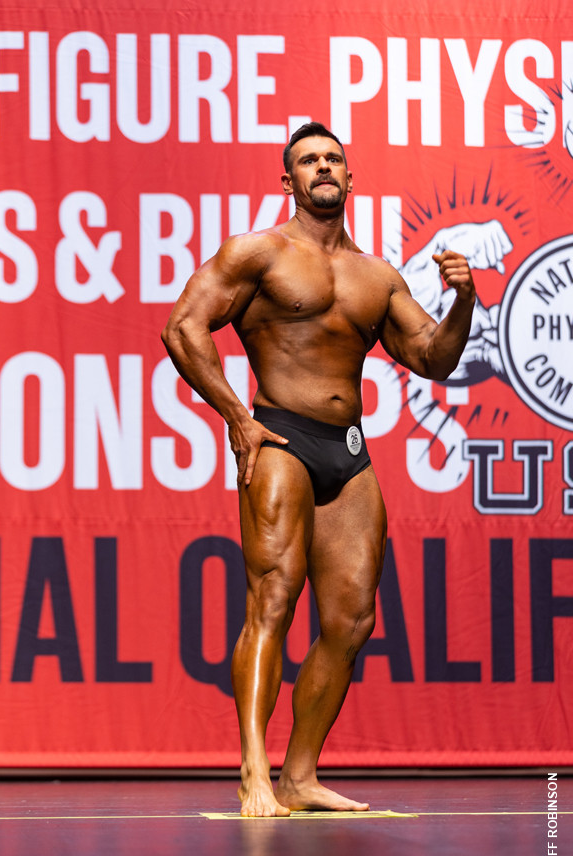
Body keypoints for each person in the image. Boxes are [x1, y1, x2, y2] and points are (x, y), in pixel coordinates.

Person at [161, 122, 476, 817]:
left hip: (349, 451)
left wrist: (463, 299)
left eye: (334, 158)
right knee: (273, 599)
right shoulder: (258, 253)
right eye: (309, 160)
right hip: (281, 437)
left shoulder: (377, 276)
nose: (324, 167)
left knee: (352, 619)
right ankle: (253, 770)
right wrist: (237, 418)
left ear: (351, 178)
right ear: (289, 181)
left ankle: (299, 776)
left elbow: (433, 358)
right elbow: (182, 326)